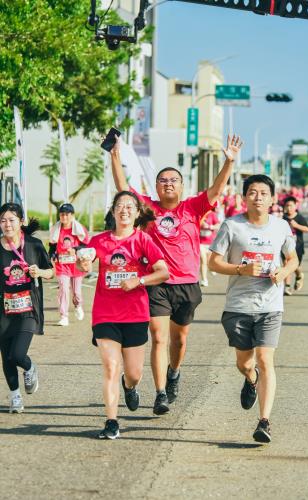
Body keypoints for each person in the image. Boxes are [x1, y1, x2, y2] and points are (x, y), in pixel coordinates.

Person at [111, 134, 243, 415]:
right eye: (163, 181)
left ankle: (174, 372)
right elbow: (123, 191)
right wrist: (114, 156)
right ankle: (160, 393)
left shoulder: (192, 208)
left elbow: (216, 191)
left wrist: (229, 162)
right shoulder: (147, 210)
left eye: (173, 180)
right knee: (158, 337)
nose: (168, 184)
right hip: (156, 283)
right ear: (155, 186)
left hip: (187, 285)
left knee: (179, 340)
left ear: (182, 187)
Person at [209, 174, 298, 443]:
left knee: (265, 359)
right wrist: (241, 269)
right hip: (238, 305)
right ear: (244, 197)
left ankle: (264, 421)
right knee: (245, 363)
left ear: (272, 199)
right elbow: (213, 262)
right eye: (252, 192)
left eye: (263, 193)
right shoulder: (232, 226)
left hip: (270, 306)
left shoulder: (281, 227)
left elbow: (292, 259)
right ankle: (250, 379)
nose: (257, 197)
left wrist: (284, 272)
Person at [77, 191, 169, 439]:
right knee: (111, 366)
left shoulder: (143, 241)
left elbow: (163, 272)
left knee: (134, 374)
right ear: (113, 211)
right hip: (105, 314)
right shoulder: (100, 240)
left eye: (130, 206)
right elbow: (86, 259)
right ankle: (111, 421)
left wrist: (138, 280)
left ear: (137, 213)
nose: (124, 210)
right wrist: (84, 264)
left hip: (135, 315)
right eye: (120, 205)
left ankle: (130, 387)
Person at [0, 203, 53, 413]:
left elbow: (51, 272)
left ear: (21, 222)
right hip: (4, 310)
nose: (7, 224)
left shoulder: (34, 244)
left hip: (27, 308)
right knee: (6, 356)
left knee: (17, 354)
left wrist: (39, 272)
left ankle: (29, 367)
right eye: (3, 220)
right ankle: (15, 397)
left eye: (11, 220)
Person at [49, 203, 89, 327]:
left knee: (76, 291)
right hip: (62, 265)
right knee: (63, 289)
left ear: (72, 215)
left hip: (76, 264)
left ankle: (78, 305)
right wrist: (52, 256)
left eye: (67, 214)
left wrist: (75, 249)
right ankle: (63, 316)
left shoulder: (79, 229)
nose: (64, 217)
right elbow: (52, 246)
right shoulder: (56, 229)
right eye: (62, 214)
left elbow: (86, 245)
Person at [283, 196, 308, 295]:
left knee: (296, 266)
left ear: (295, 206)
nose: (289, 208)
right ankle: (287, 287)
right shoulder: (283, 217)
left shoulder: (299, 217)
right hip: (285, 246)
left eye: (291, 205)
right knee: (287, 264)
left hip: (298, 246)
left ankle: (299, 275)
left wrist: (296, 226)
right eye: (287, 206)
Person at [199, 209, 220, 287]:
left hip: (210, 242)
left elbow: (218, 225)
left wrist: (210, 226)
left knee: (208, 261)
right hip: (200, 242)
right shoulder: (200, 213)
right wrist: (201, 224)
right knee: (203, 261)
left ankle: (211, 268)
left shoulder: (212, 214)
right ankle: (204, 280)